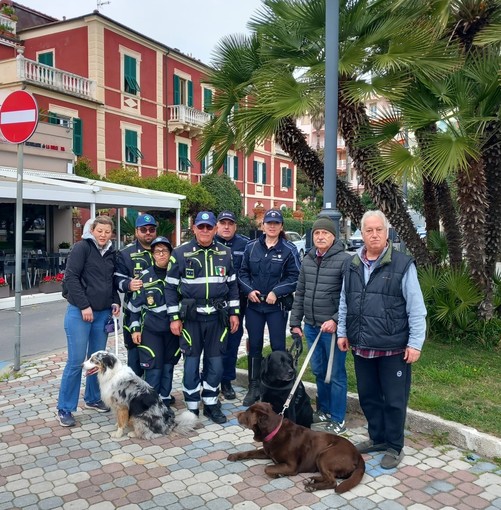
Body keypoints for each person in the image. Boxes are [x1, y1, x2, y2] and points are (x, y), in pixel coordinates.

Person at [337, 210, 427, 470]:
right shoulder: (351, 264)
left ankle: (395, 446)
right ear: (362, 233)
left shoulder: (402, 264)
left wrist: (415, 343)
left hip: (393, 348)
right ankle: (377, 438)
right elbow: (345, 302)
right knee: (368, 397)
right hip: (362, 346)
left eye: (379, 230)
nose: (374, 235)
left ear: (387, 233)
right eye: (369, 230)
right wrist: (343, 332)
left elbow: (416, 308)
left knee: (395, 400)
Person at [165, 211, 240, 424]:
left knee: (216, 363)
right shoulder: (180, 253)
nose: (205, 231)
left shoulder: (225, 253)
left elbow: (233, 285)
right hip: (191, 318)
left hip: (217, 318)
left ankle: (210, 403)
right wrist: (174, 318)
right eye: (201, 227)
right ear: (195, 228)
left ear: (215, 229)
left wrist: (234, 313)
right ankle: (191, 407)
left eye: (209, 227)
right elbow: (169, 288)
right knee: (191, 363)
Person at [57, 215, 121, 427]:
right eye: (99, 230)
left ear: (111, 233)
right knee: (76, 361)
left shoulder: (112, 251)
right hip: (80, 312)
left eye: (107, 231)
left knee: (97, 362)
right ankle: (65, 408)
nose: (103, 235)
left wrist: (115, 301)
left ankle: (93, 399)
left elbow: (111, 280)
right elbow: (71, 278)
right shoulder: (81, 248)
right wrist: (84, 305)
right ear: (92, 230)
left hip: (102, 314)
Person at [290, 216, 351, 434]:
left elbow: (349, 296)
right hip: (312, 325)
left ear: (334, 236)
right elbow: (301, 293)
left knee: (335, 374)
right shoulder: (307, 259)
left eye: (325, 233)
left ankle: (338, 419)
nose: (321, 236)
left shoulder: (344, 260)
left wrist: (335, 320)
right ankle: (323, 410)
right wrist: (295, 322)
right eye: (317, 233)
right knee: (318, 371)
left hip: (331, 329)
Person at [238, 209, 301, 406]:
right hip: (255, 306)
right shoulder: (251, 248)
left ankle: (279, 387)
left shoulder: (289, 249)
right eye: (269, 223)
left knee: (278, 348)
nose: (272, 226)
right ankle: (254, 386)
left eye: (276, 223)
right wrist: (249, 291)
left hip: (276, 307)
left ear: (281, 226)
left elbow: (295, 277)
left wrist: (277, 291)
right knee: (255, 346)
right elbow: (242, 273)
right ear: (263, 225)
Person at [128, 236, 179, 408]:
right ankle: (150, 404)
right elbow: (133, 307)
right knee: (153, 368)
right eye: (157, 251)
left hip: (173, 330)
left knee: (168, 367)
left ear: (170, 253)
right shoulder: (144, 277)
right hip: (151, 331)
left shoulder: (178, 273)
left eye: (165, 251)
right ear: (152, 255)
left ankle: (164, 401)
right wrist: (135, 329)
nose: (161, 254)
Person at [115, 214, 157, 377]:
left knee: (159, 355)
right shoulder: (125, 254)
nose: (148, 233)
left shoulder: (163, 250)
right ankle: (135, 395)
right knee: (135, 355)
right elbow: (116, 279)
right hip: (134, 313)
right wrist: (128, 285)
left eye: (151, 229)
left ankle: (156, 390)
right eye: (144, 229)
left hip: (159, 313)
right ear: (136, 231)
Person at [214, 210, 249, 400]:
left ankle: (226, 382)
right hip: (214, 304)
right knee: (213, 345)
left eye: (230, 223)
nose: (226, 227)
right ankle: (211, 380)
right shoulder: (209, 243)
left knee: (232, 345)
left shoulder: (245, 244)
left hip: (238, 304)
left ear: (235, 226)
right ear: (217, 225)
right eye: (223, 223)